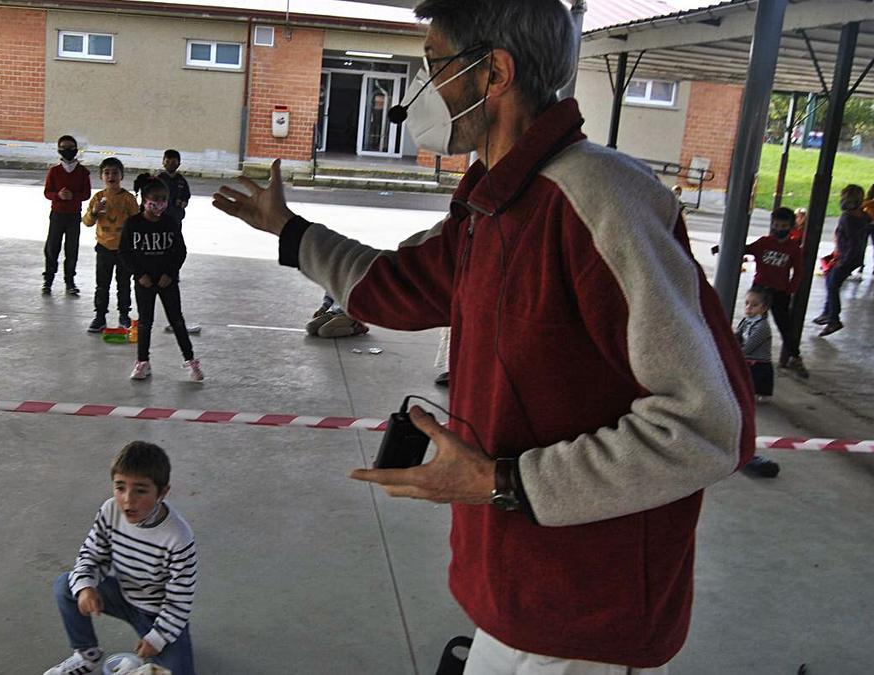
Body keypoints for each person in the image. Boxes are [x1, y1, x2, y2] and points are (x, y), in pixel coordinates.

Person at [212, 1, 755, 671]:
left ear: (493, 71)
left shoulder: (599, 199)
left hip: (586, 622)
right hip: (509, 597)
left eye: (435, 64)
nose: (425, 89)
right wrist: (290, 232)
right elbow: (398, 284)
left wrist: (502, 481)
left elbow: (706, 426)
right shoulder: (493, 204)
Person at [45, 441, 197, 675]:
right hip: (122, 595)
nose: (127, 499)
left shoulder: (178, 537)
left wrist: (157, 638)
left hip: (158, 612)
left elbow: (180, 602)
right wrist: (86, 588)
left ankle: (164, 641)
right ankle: (87, 654)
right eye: (120, 487)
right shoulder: (109, 510)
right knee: (66, 585)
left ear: (163, 492)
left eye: (140, 490)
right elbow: (91, 555)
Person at [120, 175, 203, 382]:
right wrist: (139, 275)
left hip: (167, 281)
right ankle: (142, 362)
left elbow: (180, 251)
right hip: (144, 282)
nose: (160, 203)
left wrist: (170, 274)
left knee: (177, 320)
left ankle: (191, 361)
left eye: (164, 198)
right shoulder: (133, 223)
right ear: (145, 199)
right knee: (145, 322)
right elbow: (124, 252)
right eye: (155, 198)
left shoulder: (170, 222)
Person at [747, 208, 808, 377]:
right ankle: (748, 356)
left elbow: (798, 271)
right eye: (776, 225)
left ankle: (795, 358)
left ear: (791, 226)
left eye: (783, 225)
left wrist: (790, 289)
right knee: (753, 323)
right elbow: (745, 249)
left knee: (785, 327)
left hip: (779, 292)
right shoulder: (763, 242)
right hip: (759, 290)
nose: (779, 228)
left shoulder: (793, 248)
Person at [83, 157, 140, 332]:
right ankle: (100, 317)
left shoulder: (128, 198)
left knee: (123, 284)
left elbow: (137, 221)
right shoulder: (98, 198)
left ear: (121, 176)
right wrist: (94, 212)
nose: (111, 176)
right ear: (101, 176)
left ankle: (124, 315)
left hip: (124, 250)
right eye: (107, 173)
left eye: (115, 173)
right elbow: (87, 222)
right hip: (104, 248)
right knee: (102, 284)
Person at [816, 185, 871, 336]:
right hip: (851, 257)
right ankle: (827, 312)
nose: (843, 202)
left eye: (847, 199)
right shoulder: (863, 216)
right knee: (830, 280)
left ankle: (833, 319)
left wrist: (843, 261)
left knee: (833, 285)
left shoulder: (848, 218)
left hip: (847, 258)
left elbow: (853, 243)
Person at [157, 149, 201, 335]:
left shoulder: (181, 181)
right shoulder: (158, 179)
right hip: (161, 222)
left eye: (174, 161)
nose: (171, 163)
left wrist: (182, 202)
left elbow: (186, 197)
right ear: (163, 162)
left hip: (176, 221)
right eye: (168, 160)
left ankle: (171, 272)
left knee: (176, 249)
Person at [736, 288, 779, 476]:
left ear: (764, 308)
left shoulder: (762, 327)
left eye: (754, 305)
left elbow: (748, 347)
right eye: (747, 303)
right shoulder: (746, 321)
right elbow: (737, 338)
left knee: (748, 396)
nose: (749, 308)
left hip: (758, 366)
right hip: (748, 363)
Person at [43, 135, 92, 296]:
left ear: (76, 150)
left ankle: (70, 282)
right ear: (59, 150)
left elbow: (86, 194)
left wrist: (73, 196)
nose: (67, 151)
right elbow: (47, 192)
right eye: (63, 148)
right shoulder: (54, 171)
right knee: (52, 248)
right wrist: (58, 195)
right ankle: (48, 281)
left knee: (72, 250)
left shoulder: (83, 172)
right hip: (57, 215)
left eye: (71, 148)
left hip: (73, 216)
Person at [305, 293, 369, 338]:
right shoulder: (334, 280)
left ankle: (357, 329)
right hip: (334, 312)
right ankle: (337, 325)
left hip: (349, 315)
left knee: (324, 331)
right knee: (310, 327)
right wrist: (322, 309)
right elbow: (329, 297)